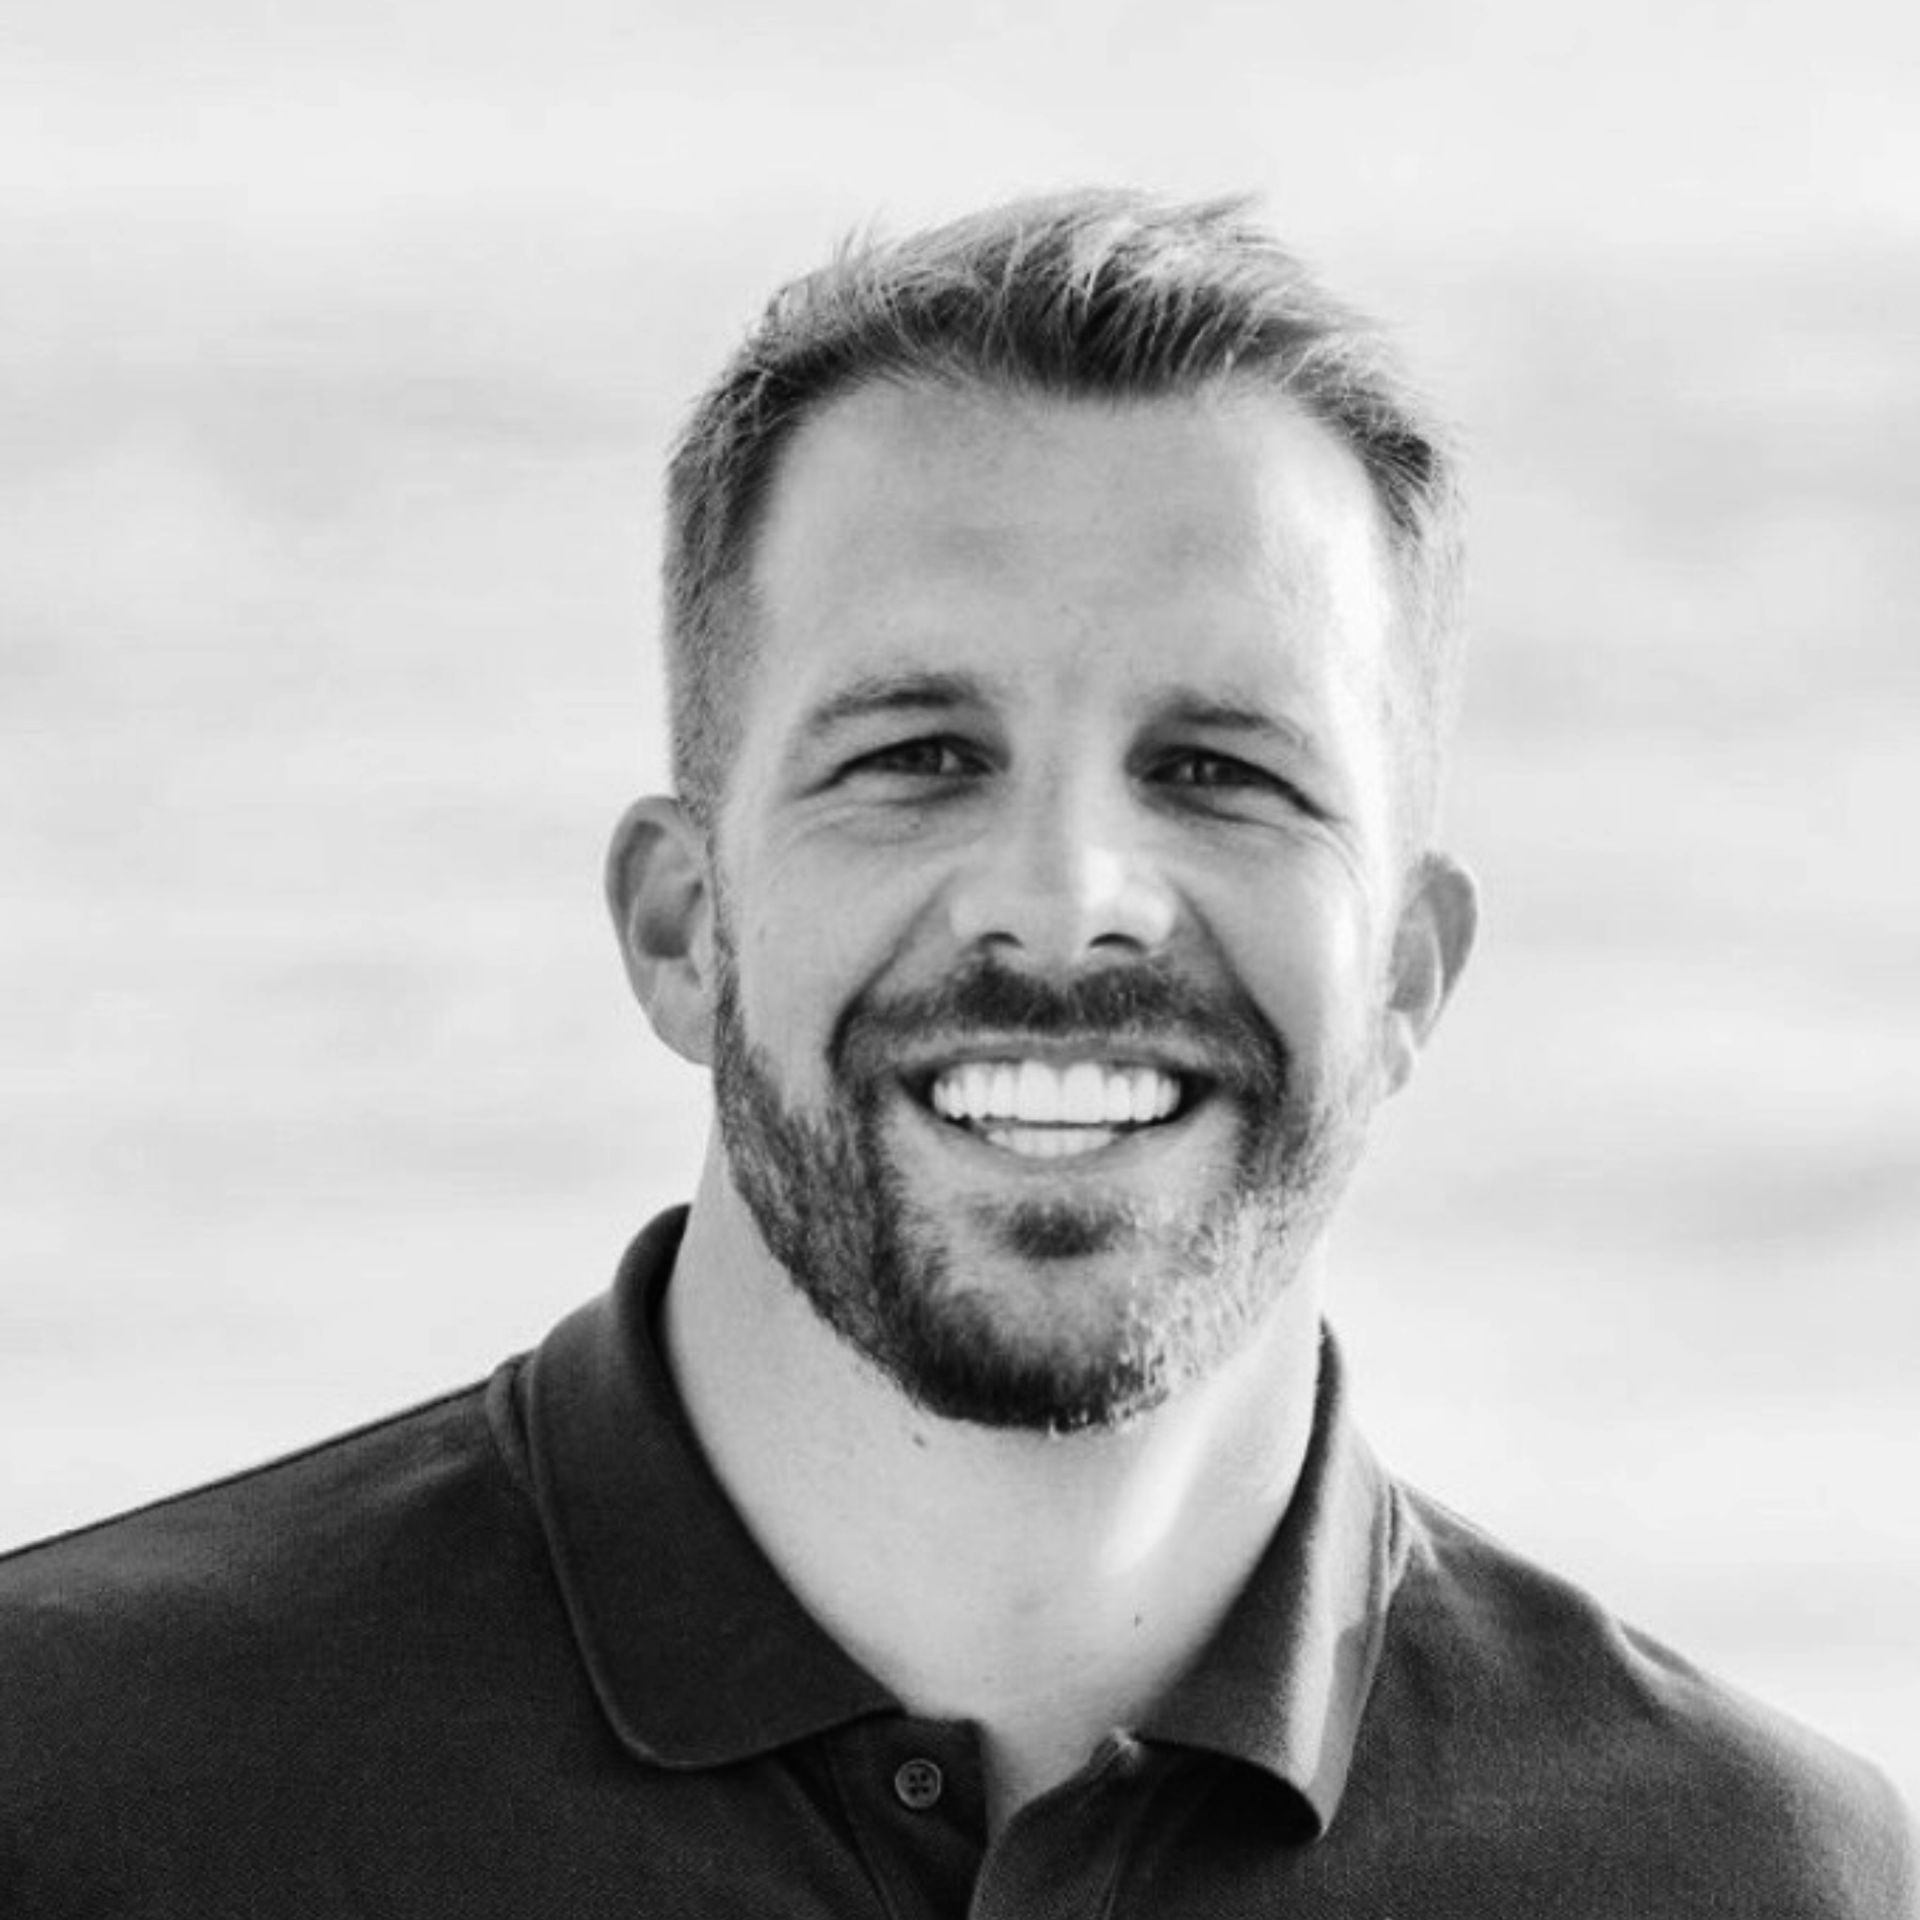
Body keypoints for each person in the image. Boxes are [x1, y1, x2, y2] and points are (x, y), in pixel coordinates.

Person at [1, 190, 1911, 1917]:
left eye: (1219, 772)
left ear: (1410, 972)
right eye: (918, 757)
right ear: (680, 925)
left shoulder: (1761, 1879)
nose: (1071, 898)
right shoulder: (71, 1787)